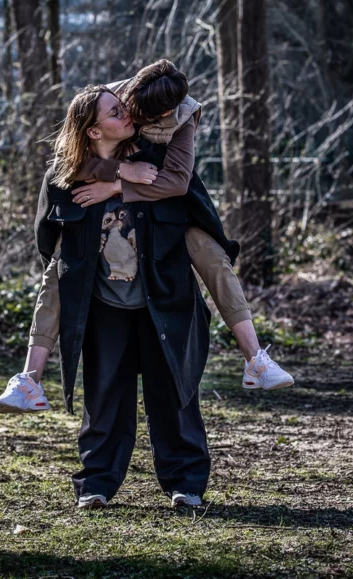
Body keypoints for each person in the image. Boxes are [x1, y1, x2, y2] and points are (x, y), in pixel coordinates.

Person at [0, 61, 293, 415]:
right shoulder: (108, 99)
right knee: (58, 272)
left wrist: (119, 184)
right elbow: (67, 157)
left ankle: (254, 358)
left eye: (145, 116)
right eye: (126, 111)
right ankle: (29, 379)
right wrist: (119, 169)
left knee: (213, 257)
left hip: (173, 211)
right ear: (129, 93)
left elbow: (177, 182)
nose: (132, 119)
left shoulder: (182, 117)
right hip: (105, 225)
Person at [16, 85, 212, 509]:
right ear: (91, 130)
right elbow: (47, 238)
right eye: (115, 112)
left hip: (165, 301)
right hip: (104, 307)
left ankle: (187, 485)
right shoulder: (64, 179)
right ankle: (96, 485)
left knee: (175, 394)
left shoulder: (157, 164)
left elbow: (188, 195)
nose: (128, 115)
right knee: (103, 398)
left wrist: (119, 184)